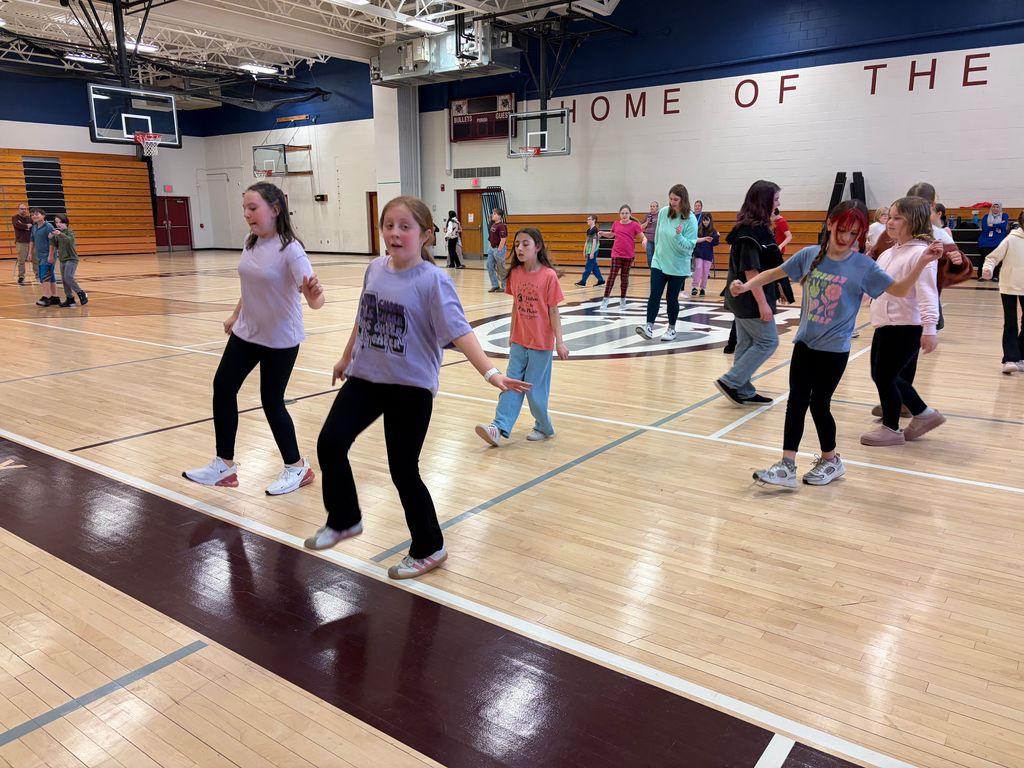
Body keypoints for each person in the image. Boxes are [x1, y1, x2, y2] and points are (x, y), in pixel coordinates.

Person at [304, 196, 530, 580]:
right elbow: (364, 316)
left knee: (403, 470)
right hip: (366, 377)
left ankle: (430, 547)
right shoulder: (374, 269)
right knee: (330, 443)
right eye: (389, 225)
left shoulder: (433, 281)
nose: (394, 232)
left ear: (425, 234)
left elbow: (461, 332)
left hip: (411, 387)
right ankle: (344, 519)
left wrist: (493, 374)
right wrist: (346, 358)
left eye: (405, 226)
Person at [730, 200, 941, 487]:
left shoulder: (864, 266)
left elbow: (902, 289)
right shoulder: (809, 255)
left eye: (853, 234)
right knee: (796, 403)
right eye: (841, 230)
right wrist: (745, 286)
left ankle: (831, 461)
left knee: (819, 405)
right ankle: (787, 465)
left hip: (834, 351)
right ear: (830, 224)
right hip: (804, 344)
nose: (845, 238)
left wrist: (922, 262)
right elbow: (776, 272)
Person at [183, 182, 324, 495]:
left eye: (253, 207)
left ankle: (298, 468)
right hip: (247, 332)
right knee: (223, 387)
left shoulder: (291, 250)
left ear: (275, 210)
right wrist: (236, 314)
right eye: (244, 208)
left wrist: (315, 294)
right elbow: (251, 286)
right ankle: (224, 466)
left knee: (271, 402)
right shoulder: (251, 243)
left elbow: (315, 302)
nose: (247, 214)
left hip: (280, 338)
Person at [862, 196, 948, 447]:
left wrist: (930, 328)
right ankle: (920, 414)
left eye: (897, 217)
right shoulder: (889, 252)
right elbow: (877, 285)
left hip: (906, 325)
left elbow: (928, 293)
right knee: (881, 375)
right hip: (884, 324)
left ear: (915, 221)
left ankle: (899, 424)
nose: (890, 221)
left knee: (886, 376)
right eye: (889, 216)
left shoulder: (921, 254)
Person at [476, 227, 569, 446]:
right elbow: (516, 306)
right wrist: (511, 334)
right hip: (519, 341)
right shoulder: (516, 274)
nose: (519, 248)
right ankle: (499, 428)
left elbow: (554, 311)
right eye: (517, 244)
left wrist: (560, 342)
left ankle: (544, 426)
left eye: (525, 244)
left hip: (541, 344)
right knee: (511, 384)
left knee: (534, 392)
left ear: (537, 247)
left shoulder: (548, 276)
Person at [714, 180, 782, 406]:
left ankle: (743, 390)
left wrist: (780, 287)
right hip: (749, 300)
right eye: (776, 199)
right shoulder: (750, 233)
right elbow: (751, 271)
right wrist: (763, 304)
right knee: (768, 342)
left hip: (743, 299)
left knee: (746, 343)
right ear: (764, 202)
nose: (779, 203)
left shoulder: (756, 229)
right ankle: (731, 380)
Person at [636, 184, 697, 340]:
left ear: (683, 200)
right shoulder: (663, 212)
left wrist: (679, 236)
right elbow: (657, 236)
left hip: (677, 265)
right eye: (670, 198)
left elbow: (690, 246)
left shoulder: (690, 218)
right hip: (660, 261)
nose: (672, 202)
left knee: (671, 298)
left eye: (676, 199)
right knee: (654, 294)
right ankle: (649, 327)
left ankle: (671, 329)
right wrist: (657, 254)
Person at [981, 210, 1024, 374]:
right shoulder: (1011, 239)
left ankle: (1021, 356)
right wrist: (987, 269)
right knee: (1011, 321)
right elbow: (992, 258)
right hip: (1009, 286)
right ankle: (1010, 359)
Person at [599, 205, 647, 312]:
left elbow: (642, 236)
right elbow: (611, 235)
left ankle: (622, 300)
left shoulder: (634, 225)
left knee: (624, 278)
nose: (624, 215)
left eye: (626, 213)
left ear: (630, 214)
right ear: (619, 214)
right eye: (622, 213)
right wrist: (603, 233)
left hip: (628, 255)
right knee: (612, 276)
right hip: (616, 254)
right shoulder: (616, 224)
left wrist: (644, 240)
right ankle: (605, 300)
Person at [48, 215, 87, 307]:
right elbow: (55, 244)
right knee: (64, 280)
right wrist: (51, 237)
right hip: (62, 259)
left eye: (60, 222)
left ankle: (80, 293)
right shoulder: (57, 233)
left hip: (71, 258)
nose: (58, 224)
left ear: (66, 223)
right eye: (56, 222)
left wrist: (59, 234)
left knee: (68, 277)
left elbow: (69, 241)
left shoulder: (70, 232)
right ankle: (69, 299)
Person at [29, 209, 59, 307]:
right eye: (32, 215)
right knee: (50, 276)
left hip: (48, 255)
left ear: (43, 216)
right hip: (39, 255)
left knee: (44, 276)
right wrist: (30, 253)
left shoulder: (48, 226)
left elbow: (52, 242)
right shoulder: (34, 227)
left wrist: (50, 255)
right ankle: (55, 297)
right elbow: (32, 240)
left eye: (36, 214)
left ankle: (46, 297)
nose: (34, 216)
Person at [690, 212, 719, 297]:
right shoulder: (698, 229)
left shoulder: (713, 231)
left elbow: (715, 243)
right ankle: (694, 287)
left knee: (706, 272)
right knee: (698, 268)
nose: (705, 222)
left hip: (708, 255)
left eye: (707, 220)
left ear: (710, 221)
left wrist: (717, 237)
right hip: (699, 253)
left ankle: (702, 288)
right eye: (704, 220)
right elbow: (695, 240)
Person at [978, 202, 1009, 281]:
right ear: (991, 208)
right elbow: (985, 227)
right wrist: (998, 225)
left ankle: (995, 275)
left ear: (1000, 208)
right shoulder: (986, 216)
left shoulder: (1004, 216)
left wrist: (993, 225)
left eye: (997, 207)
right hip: (985, 240)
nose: (995, 209)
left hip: (998, 239)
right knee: (985, 256)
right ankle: (982, 275)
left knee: (997, 257)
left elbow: (1003, 226)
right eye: (994, 207)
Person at [575, 215, 605, 287]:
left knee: (588, 266)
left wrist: (592, 252)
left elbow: (594, 242)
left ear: (594, 220)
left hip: (593, 251)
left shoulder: (595, 229)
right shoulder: (588, 230)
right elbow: (587, 241)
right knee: (594, 267)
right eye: (587, 219)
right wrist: (584, 251)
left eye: (589, 219)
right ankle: (601, 280)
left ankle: (583, 281)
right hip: (588, 250)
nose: (587, 220)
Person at [486, 208, 508, 292]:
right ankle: (495, 285)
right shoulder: (493, 224)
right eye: (493, 213)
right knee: (489, 265)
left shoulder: (501, 226)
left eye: (494, 214)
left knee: (501, 268)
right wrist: (490, 246)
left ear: (499, 216)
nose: (493, 215)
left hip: (499, 249)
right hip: (491, 248)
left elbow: (503, 239)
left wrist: (499, 250)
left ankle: (504, 286)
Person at [11, 203, 32, 285]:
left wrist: (24, 226)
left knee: (35, 260)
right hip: (21, 242)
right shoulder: (15, 218)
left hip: (31, 242)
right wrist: (27, 226)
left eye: (25, 209)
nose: (23, 210)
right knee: (21, 260)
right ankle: (21, 277)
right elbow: (17, 225)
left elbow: (33, 226)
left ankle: (38, 275)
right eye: (22, 209)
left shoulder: (29, 218)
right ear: (18, 209)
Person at [639, 201, 659, 268]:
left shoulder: (660, 215)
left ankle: (657, 270)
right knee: (649, 256)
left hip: (658, 239)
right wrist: (647, 222)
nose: (652, 208)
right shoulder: (647, 215)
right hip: (649, 239)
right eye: (651, 206)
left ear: (657, 207)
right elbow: (640, 227)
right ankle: (652, 270)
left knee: (657, 256)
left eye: (654, 206)